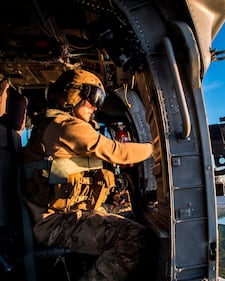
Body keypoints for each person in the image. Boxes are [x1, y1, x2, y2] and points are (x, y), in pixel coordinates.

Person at [23, 69, 153, 281]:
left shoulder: (54, 126)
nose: (96, 106)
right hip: (54, 224)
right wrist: (154, 148)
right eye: (93, 97)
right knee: (136, 238)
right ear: (72, 95)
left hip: (63, 215)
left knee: (131, 216)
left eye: (100, 100)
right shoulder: (65, 127)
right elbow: (116, 151)